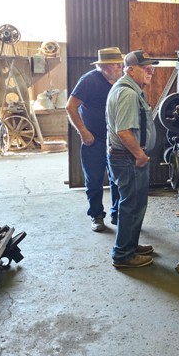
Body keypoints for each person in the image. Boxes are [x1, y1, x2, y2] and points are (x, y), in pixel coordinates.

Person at [106, 50, 159, 269]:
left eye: (151, 67)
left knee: (133, 205)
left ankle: (129, 244)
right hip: (129, 159)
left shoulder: (129, 89)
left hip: (126, 158)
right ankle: (123, 255)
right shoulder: (128, 93)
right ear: (130, 70)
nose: (150, 71)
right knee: (132, 206)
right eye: (144, 67)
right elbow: (124, 131)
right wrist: (140, 155)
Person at [66, 47, 124, 232]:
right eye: (115, 64)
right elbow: (71, 107)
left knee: (118, 180)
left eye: (120, 63)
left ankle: (117, 214)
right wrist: (83, 132)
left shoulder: (121, 82)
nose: (119, 67)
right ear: (103, 66)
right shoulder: (89, 80)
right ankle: (97, 215)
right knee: (94, 181)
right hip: (94, 141)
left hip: (115, 141)